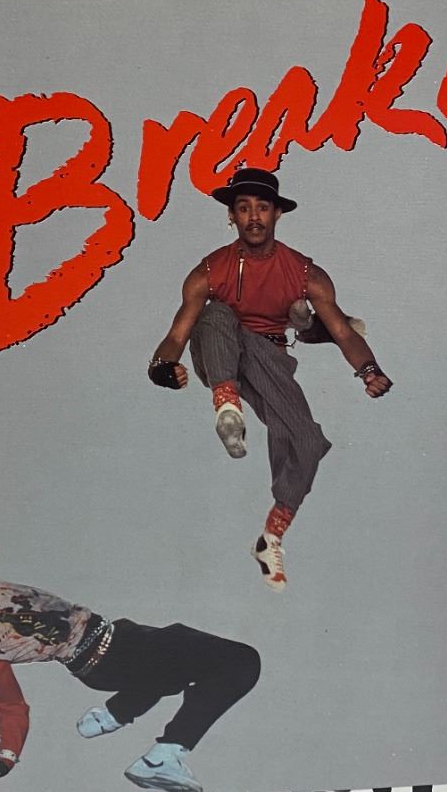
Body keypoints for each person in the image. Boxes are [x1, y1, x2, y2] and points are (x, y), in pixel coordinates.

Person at [0, 496, 260, 792]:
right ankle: (162, 755)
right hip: (103, 661)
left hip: (118, 635)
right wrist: (6, 758)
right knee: (238, 661)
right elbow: (10, 705)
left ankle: (114, 714)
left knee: (176, 666)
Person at [147, 166, 392, 589]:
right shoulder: (210, 271)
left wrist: (369, 370)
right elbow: (176, 335)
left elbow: (344, 332)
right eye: (243, 209)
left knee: (308, 441)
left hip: (267, 359)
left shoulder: (305, 273)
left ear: (277, 213)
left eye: (262, 208)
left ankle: (271, 537)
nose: (254, 217)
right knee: (217, 313)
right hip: (218, 351)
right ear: (232, 216)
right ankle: (227, 408)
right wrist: (162, 367)